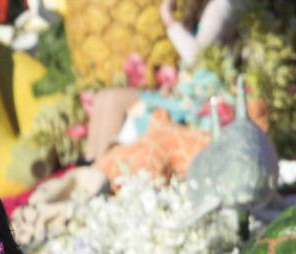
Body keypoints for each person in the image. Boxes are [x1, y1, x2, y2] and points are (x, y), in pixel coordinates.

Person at [84, 0, 244, 161]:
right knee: (103, 97)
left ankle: (99, 171)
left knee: (114, 100)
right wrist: (177, 84)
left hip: (197, 105)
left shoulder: (222, 6)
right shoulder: (208, 7)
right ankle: (89, 164)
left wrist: (167, 16)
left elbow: (196, 56)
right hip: (184, 95)